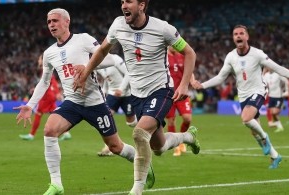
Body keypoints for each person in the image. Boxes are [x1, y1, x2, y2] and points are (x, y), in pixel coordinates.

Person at [13, 8, 154, 195]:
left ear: (66, 22)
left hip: (95, 103)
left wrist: (88, 66)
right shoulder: (49, 53)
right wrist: (30, 105)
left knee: (115, 146)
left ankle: (142, 162)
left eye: (55, 21)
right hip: (72, 102)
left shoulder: (83, 39)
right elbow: (45, 81)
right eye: (49, 22)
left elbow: (110, 59)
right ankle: (56, 185)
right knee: (49, 130)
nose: (52, 25)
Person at [73, 1, 200, 194]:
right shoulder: (117, 25)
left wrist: (183, 84)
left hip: (161, 90)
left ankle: (137, 189)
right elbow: (102, 50)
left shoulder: (163, 28)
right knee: (158, 146)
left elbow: (189, 53)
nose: (124, 5)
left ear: (142, 5)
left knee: (139, 134)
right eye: (122, 1)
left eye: (129, 1)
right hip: (137, 95)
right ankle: (188, 137)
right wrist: (85, 73)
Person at [193, 24, 289, 169]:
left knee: (246, 118)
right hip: (243, 95)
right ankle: (276, 156)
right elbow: (221, 77)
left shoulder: (257, 54)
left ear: (247, 37)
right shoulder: (231, 57)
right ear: (233, 38)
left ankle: (265, 138)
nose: (238, 36)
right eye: (235, 34)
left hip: (258, 91)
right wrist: (202, 85)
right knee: (254, 130)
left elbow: (277, 67)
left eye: (241, 33)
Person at [19, 54, 72, 141]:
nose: (38, 61)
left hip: (46, 97)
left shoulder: (46, 69)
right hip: (49, 96)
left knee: (38, 114)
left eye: (39, 59)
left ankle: (31, 135)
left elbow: (51, 81)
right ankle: (66, 133)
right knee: (57, 114)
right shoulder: (45, 69)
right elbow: (50, 81)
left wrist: (57, 92)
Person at [96, 54, 138, 156]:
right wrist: (104, 92)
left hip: (126, 93)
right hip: (112, 94)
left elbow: (128, 73)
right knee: (107, 117)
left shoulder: (115, 59)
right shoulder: (97, 64)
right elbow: (107, 79)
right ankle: (109, 147)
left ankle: (149, 132)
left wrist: (121, 89)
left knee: (131, 123)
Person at [166, 46, 197, 156]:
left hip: (182, 93)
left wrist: (192, 81)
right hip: (168, 94)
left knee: (187, 118)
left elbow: (189, 71)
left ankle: (182, 139)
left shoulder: (182, 56)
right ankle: (176, 146)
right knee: (171, 120)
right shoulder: (164, 57)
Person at [263, 67, 289, 132]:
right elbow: (263, 83)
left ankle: (282, 105)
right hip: (271, 96)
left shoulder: (277, 74)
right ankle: (280, 127)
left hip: (279, 96)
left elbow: (286, 81)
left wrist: (287, 91)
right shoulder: (266, 75)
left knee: (275, 112)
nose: (269, 68)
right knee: (272, 113)